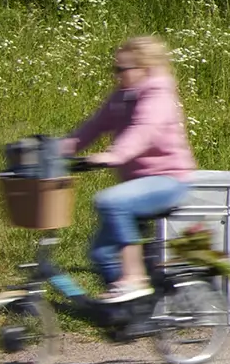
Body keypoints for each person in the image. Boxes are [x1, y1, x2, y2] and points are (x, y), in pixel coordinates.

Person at [68, 37, 197, 310]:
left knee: (111, 201)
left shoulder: (158, 94)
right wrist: (57, 150)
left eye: (122, 70)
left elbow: (144, 130)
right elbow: (93, 127)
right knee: (101, 254)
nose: (116, 76)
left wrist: (115, 155)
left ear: (145, 68)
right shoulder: (121, 97)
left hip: (168, 180)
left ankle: (135, 278)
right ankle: (133, 315)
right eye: (114, 69)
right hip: (138, 184)